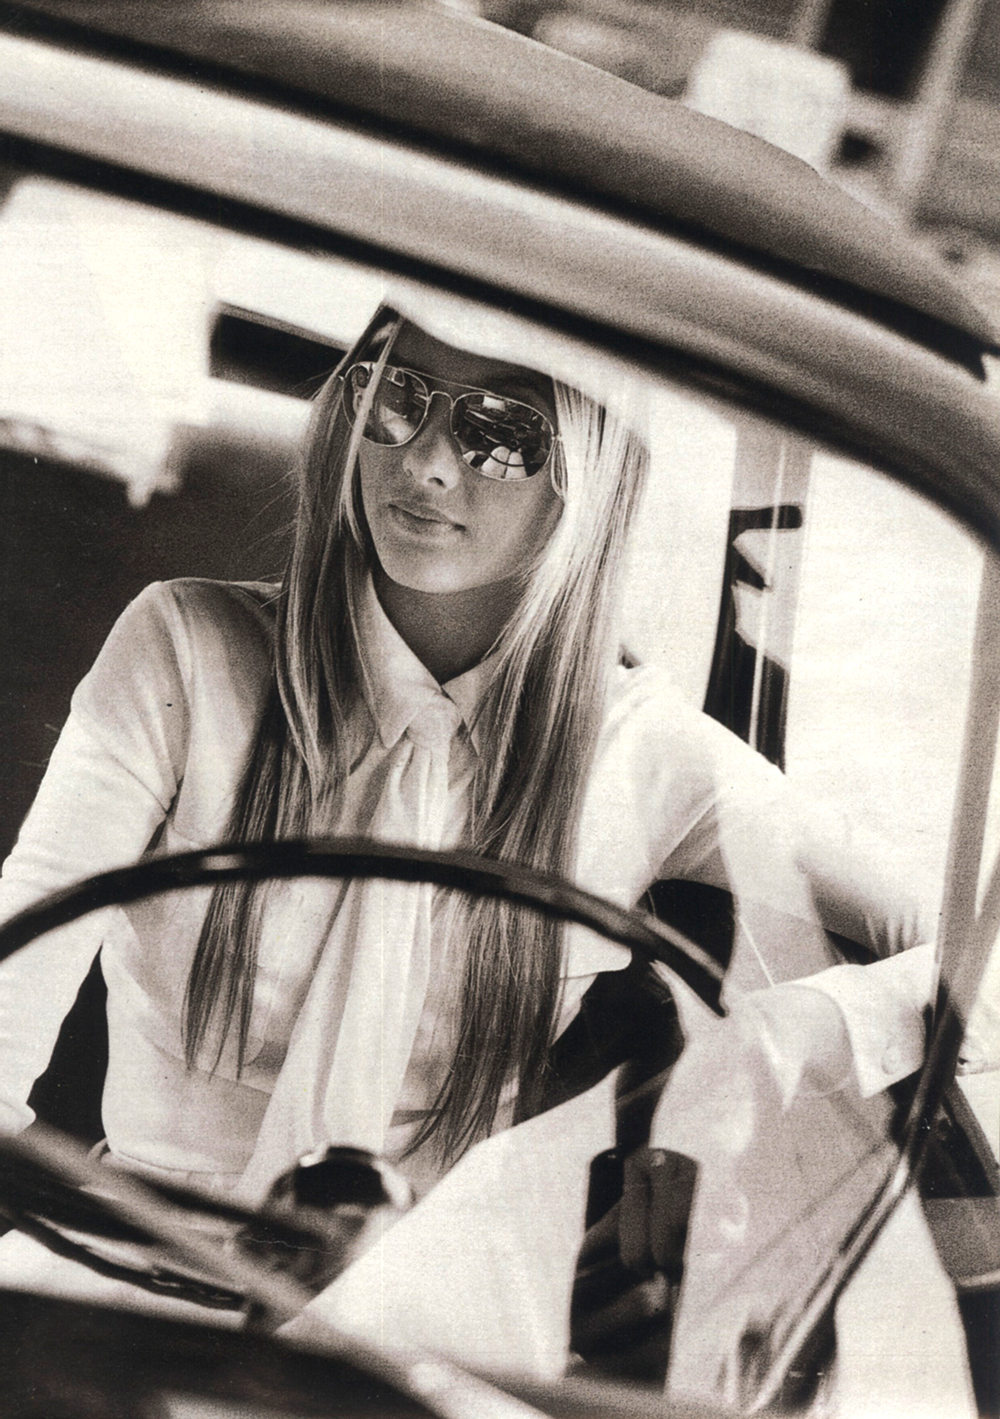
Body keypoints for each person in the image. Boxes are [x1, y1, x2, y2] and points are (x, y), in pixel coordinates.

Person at [0, 301, 934, 1217]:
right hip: (141, 1252)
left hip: (424, 1294)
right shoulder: (182, 648)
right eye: (397, 397)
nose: (425, 462)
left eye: (501, 430)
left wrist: (772, 1045)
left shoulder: (642, 753)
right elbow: (18, 957)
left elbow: (967, 950)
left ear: (591, 473)